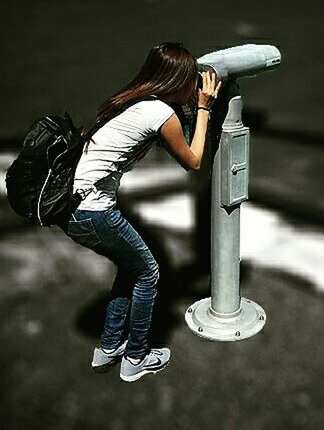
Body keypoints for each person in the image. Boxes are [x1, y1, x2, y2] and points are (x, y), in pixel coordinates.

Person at [63, 43, 220, 382]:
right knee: (149, 272)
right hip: (94, 213)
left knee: (131, 268)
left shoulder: (135, 102)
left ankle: (107, 348)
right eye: (191, 81)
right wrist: (205, 107)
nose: (195, 87)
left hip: (74, 210)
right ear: (176, 81)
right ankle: (136, 357)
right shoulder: (160, 115)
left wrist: (191, 111)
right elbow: (193, 161)